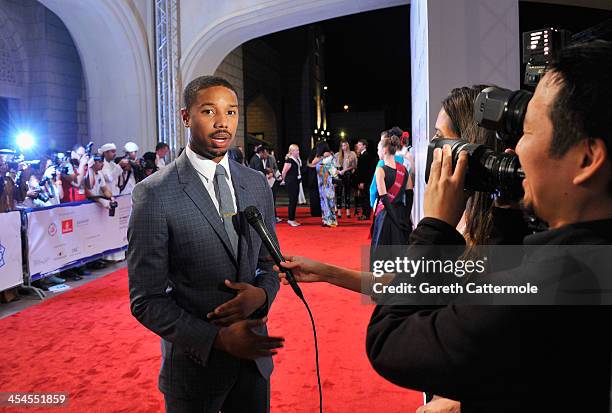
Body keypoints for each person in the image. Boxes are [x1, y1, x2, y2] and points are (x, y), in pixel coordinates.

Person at [365, 41, 612, 412]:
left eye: (527, 132)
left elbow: (390, 341)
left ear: (587, 157)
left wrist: (433, 225)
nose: (518, 151)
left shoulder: (559, 278)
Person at [128, 75, 283, 413]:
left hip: (254, 367)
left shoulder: (256, 184)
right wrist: (215, 340)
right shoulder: (154, 194)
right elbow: (146, 300)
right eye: (209, 111)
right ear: (186, 117)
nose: (222, 123)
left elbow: (271, 265)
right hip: (194, 371)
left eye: (231, 112)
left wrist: (261, 295)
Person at [370, 134, 413, 264]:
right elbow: (410, 193)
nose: (377, 151)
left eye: (378, 148)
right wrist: (405, 217)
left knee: (382, 257)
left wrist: (395, 219)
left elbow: (384, 198)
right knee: (401, 255)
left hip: (386, 217)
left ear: (384, 150)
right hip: (401, 213)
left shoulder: (380, 170)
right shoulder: (404, 170)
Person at [314, 142, 338, 227]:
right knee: (323, 202)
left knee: (329, 201)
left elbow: (334, 171)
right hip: (321, 184)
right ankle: (325, 220)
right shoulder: (321, 157)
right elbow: (313, 163)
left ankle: (331, 221)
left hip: (327, 183)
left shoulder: (329, 157)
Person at [334, 140, 357, 218]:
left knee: (347, 193)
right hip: (339, 174)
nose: (344, 147)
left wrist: (345, 170)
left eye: (345, 145)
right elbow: (333, 166)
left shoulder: (352, 154)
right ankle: (339, 211)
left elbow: (354, 166)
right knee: (339, 193)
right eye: (342, 145)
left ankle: (348, 211)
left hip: (347, 174)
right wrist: (337, 171)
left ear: (348, 145)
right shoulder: (337, 155)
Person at [281, 144, 302, 227]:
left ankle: (292, 218)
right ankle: (290, 219)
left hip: (295, 181)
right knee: (292, 201)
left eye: (298, 150)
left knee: (294, 200)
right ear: (292, 151)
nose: (298, 151)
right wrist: (284, 180)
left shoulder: (296, 159)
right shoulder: (289, 160)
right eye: (296, 150)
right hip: (291, 182)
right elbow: (284, 172)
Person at [355, 138, 376, 220]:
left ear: (364, 146)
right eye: (358, 145)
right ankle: (365, 214)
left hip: (365, 181)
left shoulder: (366, 156)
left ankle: (366, 214)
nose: (358, 146)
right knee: (364, 197)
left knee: (365, 197)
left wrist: (362, 182)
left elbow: (365, 171)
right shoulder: (363, 155)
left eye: (360, 145)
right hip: (365, 180)